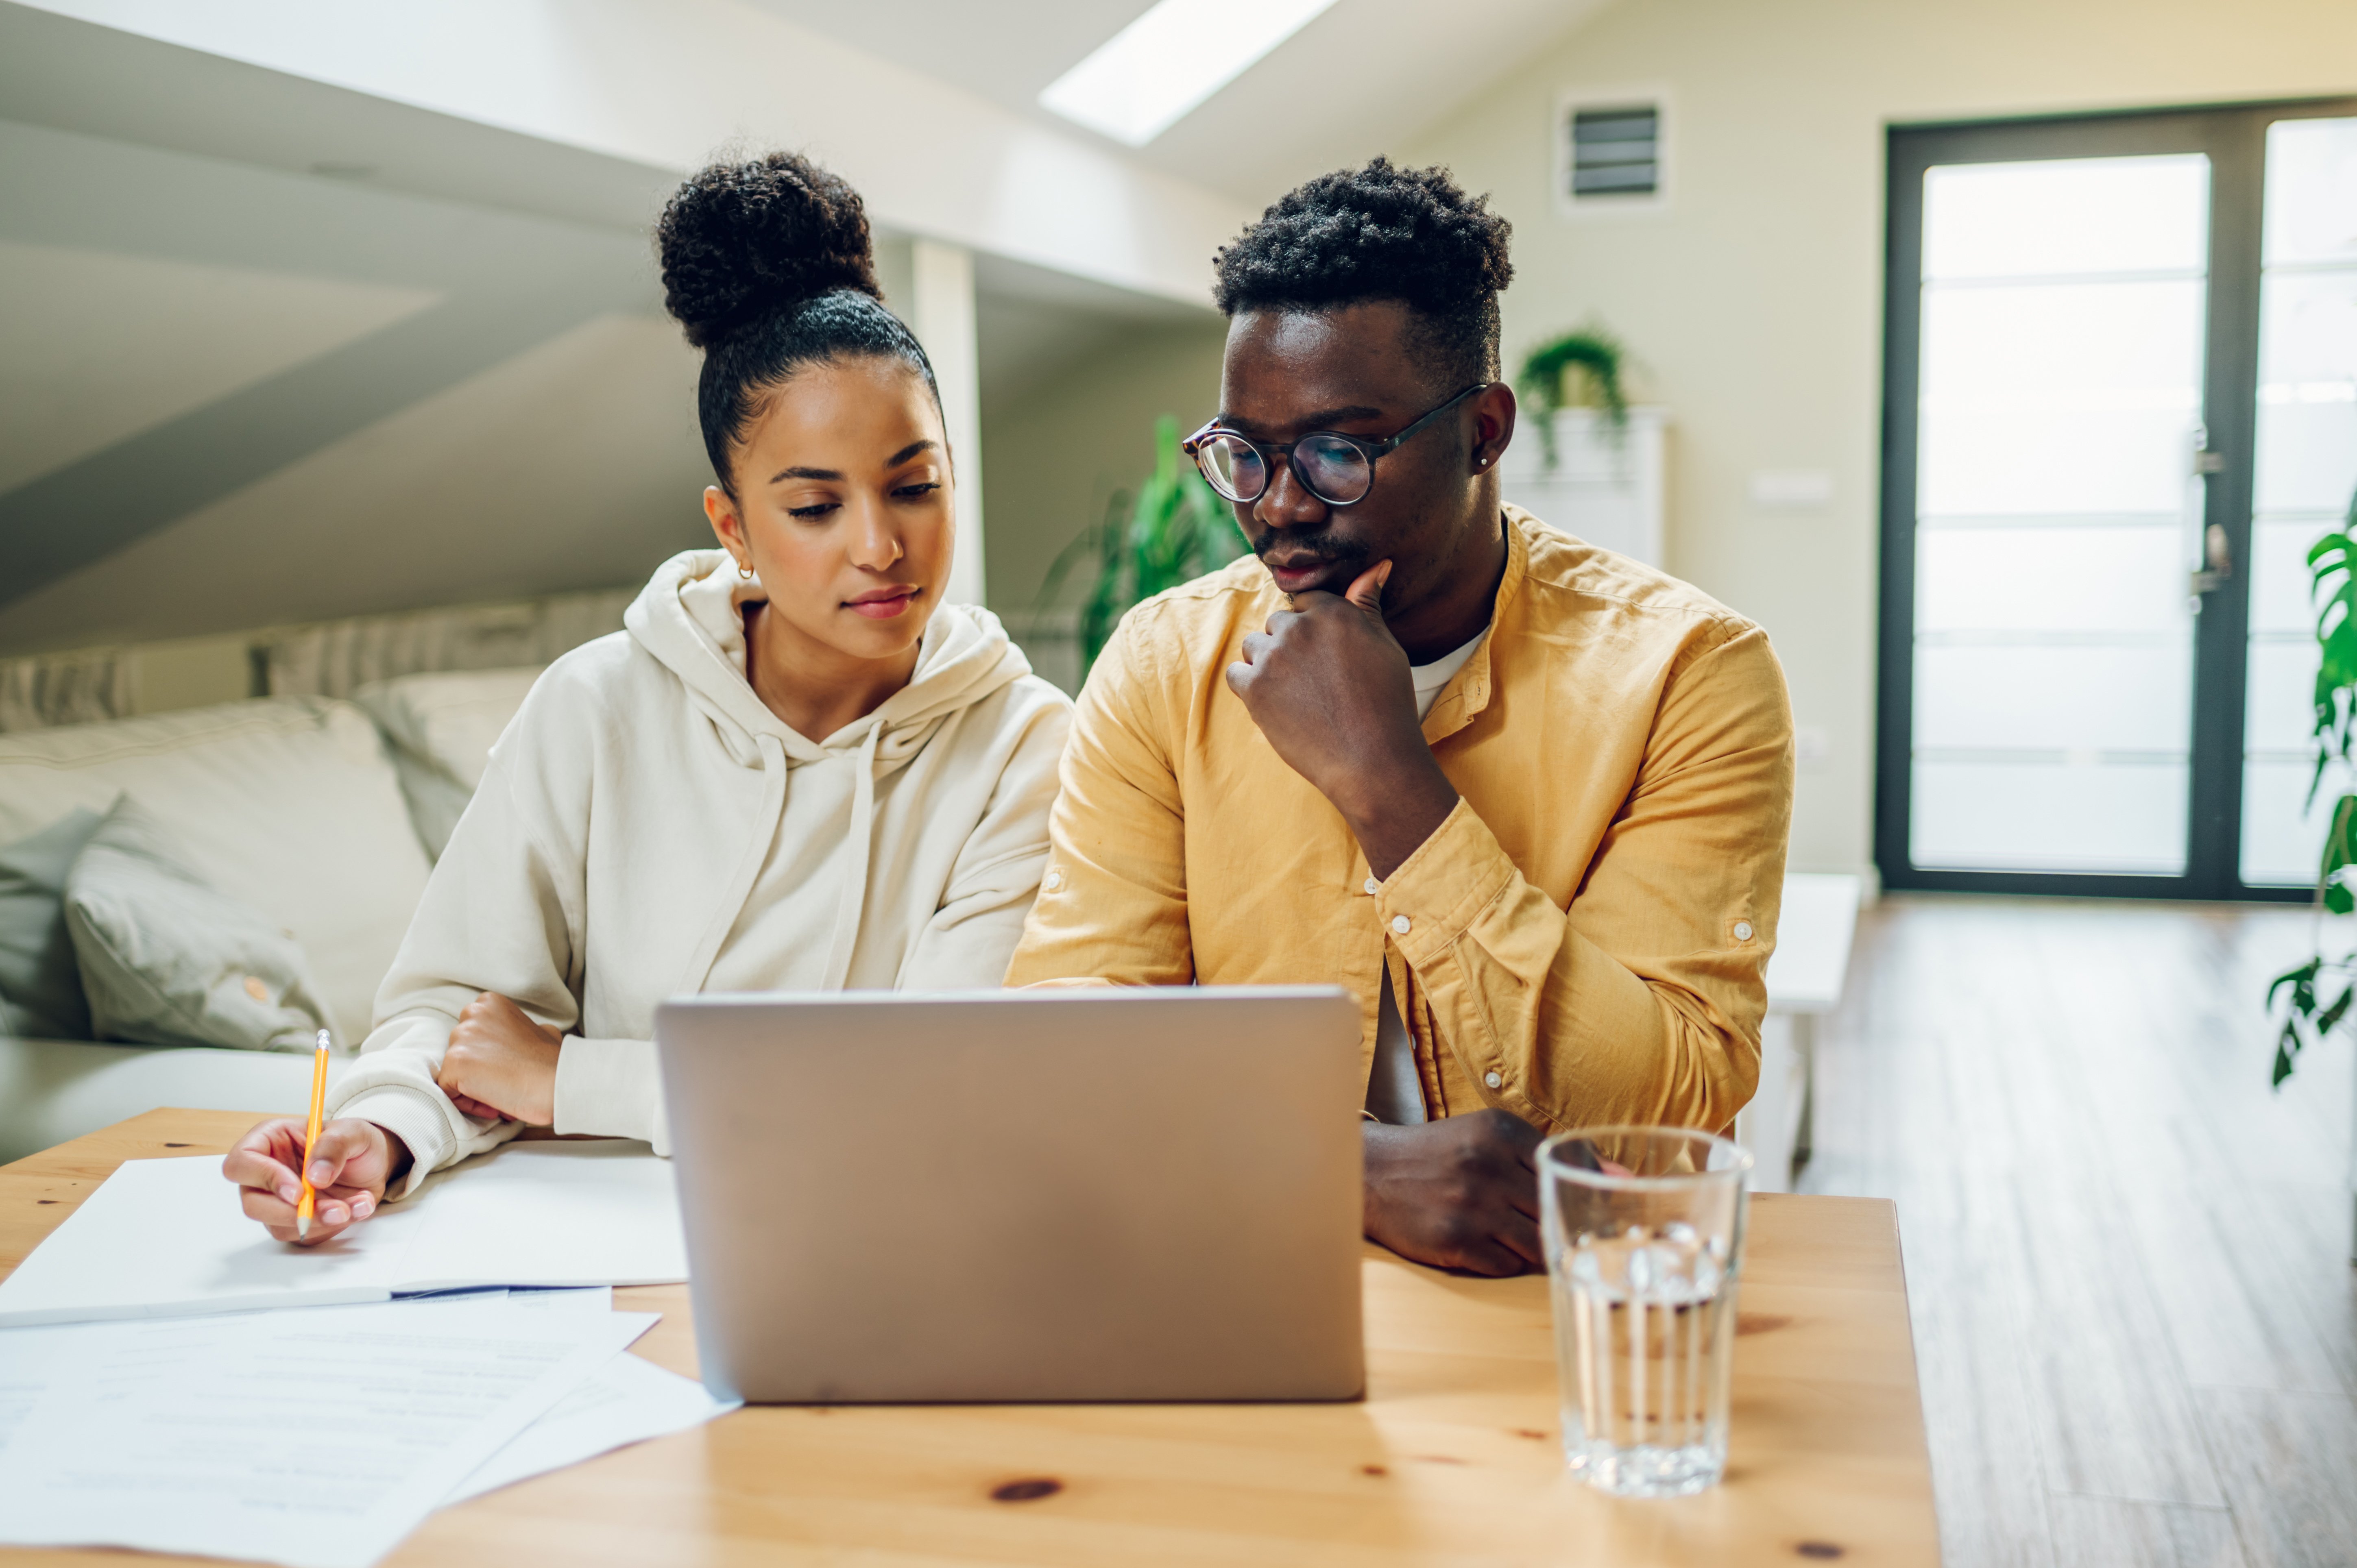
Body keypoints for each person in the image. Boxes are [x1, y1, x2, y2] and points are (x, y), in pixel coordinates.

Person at [225, 152, 1072, 1244]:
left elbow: (935, 1088)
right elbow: (457, 1014)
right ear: (734, 530)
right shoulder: (593, 708)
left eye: (915, 487)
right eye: (815, 507)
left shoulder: (1026, 747)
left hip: (868, 1243)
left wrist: (574, 1083)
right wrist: (381, 1133)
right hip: (576, 1256)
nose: (880, 546)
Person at [1005, 158, 1793, 1277]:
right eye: (1245, 454)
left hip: (1563, 1289)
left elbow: (1656, 1107)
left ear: (1481, 432)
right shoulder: (1161, 663)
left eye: (1338, 451)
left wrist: (1391, 786)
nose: (1278, 506)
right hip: (1245, 1254)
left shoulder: (1689, 674)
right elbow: (1064, 1052)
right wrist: (1345, 1171)